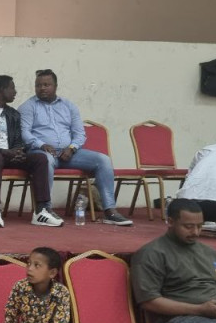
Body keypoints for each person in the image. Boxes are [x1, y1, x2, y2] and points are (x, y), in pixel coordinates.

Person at [18, 69, 133, 226]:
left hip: (69, 154)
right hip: (42, 152)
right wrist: (41, 144)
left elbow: (80, 134)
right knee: (45, 161)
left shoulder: (69, 106)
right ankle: (45, 209)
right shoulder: (28, 107)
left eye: (46, 85)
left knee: (103, 160)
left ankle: (110, 211)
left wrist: (72, 148)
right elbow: (24, 133)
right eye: (38, 85)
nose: (42, 88)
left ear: (55, 86)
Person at [0, 75, 53, 228]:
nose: (15, 92)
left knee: (39, 158)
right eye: (12, 88)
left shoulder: (13, 114)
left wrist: (18, 152)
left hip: (8, 156)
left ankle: (41, 211)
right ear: (2, 89)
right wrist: (4, 152)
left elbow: (18, 141)